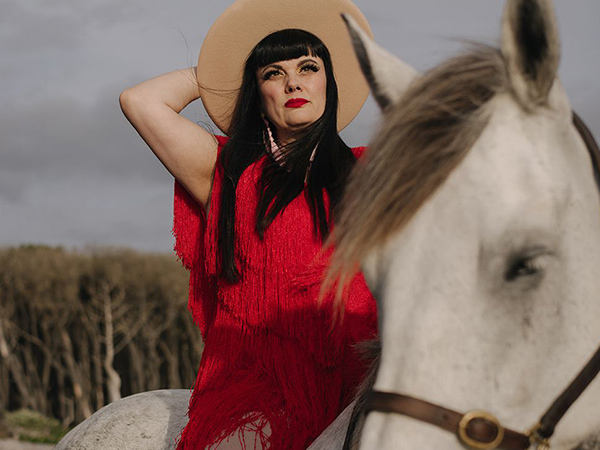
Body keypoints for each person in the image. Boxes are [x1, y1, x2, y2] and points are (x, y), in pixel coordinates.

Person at [119, 0, 377, 448]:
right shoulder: (225, 171)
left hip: (361, 383)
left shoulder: (375, 171)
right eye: (273, 73)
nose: (293, 81)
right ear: (256, 95)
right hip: (257, 390)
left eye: (309, 67)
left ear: (329, 83)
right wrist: (221, 70)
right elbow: (140, 101)